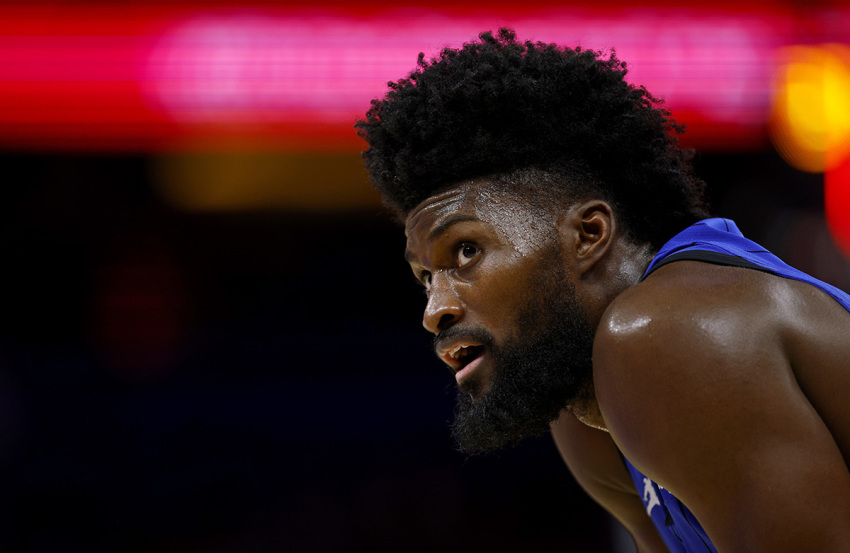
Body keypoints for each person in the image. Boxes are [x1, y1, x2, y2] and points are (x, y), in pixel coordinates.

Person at [355, 28, 850, 552]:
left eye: (466, 252)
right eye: (425, 277)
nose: (435, 310)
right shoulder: (588, 410)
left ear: (588, 235)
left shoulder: (669, 331)